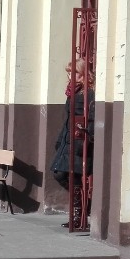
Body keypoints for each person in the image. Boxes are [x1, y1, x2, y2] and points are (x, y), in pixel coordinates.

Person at [50, 57, 95, 230]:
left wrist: (85, 138)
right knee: (61, 174)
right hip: (67, 141)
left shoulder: (88, 94)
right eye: (69, 73)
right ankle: (81, 211)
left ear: (84, 74)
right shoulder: (72, 93)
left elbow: (90, 119)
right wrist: (61, 140)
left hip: (79, 142)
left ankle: (79, 216)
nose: (70, 76)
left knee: (70, 176)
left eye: (74, 73)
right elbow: (68, 120)